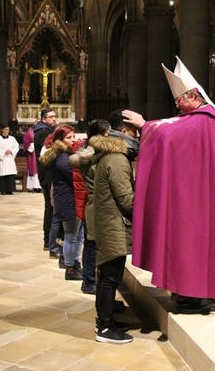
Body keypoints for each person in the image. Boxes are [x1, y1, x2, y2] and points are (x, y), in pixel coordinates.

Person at [123, 56, 215, 314]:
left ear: (194, 95)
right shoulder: (202, 120)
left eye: (180, 99)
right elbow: (177, 131)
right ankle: (199, 293)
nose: (177, 104)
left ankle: (197, 296)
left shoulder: (203, 120)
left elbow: (170, 131)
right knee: (191, 242)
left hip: (196, 200)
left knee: (191, 242)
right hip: (194, 195)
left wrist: (144, 125)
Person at [91, 128, 135, 344]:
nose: (137, 137)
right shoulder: (117, 159)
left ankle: (106, 320)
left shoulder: (108, 155)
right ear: (125, 132)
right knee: (110, 277)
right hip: (114, 224)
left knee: (107, 275)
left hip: (109, 222)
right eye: (135, 132)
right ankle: (105, 328)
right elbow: (126, 199)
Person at [69, 119, 111, 295]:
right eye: (108, 134)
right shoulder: (90, 156)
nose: (110, 137)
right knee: (92, 244)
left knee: (92, 243)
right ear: (99, 136)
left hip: (90, 203)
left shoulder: (89, 153)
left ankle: (91, 280)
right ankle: (89, 281)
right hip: (92, 203)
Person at [40, 125, 84, 280]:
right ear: (60, 140)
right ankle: (70, 268)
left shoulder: (62, 155)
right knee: (72, 236)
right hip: (68, 200)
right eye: (69, 137)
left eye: (74, 136)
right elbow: (75, 180)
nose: (74, 140)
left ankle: (72, 262)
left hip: (66, 198)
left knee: (77, 236)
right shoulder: (63, 160)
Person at [34, 108, 59, 251]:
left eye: (55, 116)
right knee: (50, 207)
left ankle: (51, 239)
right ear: (44, 119)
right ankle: (47, 240)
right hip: (47, 175)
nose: (54, 119)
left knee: (52, 206)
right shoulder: (42, 133)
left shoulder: (46, 131)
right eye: (51, 117)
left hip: (48, 174)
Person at [0, 124, 19, 195]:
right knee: (2, 174)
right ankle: (2, 190)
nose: (7, 131)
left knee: (10, 174)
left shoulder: (12, 138)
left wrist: (11, 151)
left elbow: (16, 147)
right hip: (2, 159)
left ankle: (10, 190)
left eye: (8, 129)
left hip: (9, 159)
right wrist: (4, 152)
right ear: (2, 130)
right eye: (6, 129)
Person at [23, 125, 41, 192]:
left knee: (39, 170)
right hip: (32, 154)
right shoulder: (29, 132)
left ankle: (39, 186)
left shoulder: (40, 132)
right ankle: (31, 186)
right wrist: (33, 145)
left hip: (39, 154)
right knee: (33, 170)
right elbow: (26, 142)